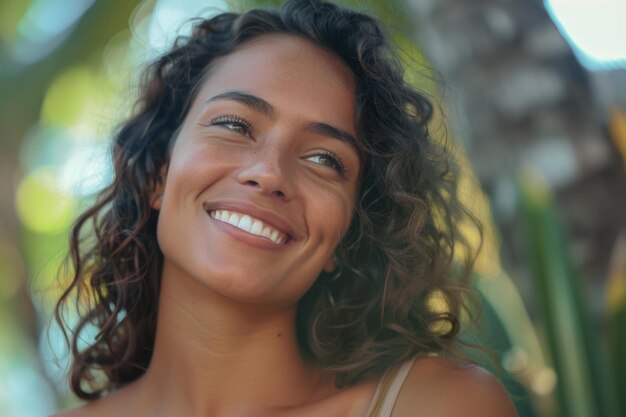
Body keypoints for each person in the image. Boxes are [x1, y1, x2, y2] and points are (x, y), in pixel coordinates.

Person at [51, 0, 517, 416]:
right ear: (158, 175)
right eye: (234, 125)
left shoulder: (438, 406)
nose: (270, 173)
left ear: (347, 234)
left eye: (324, 159)